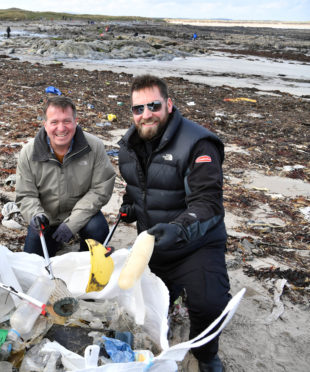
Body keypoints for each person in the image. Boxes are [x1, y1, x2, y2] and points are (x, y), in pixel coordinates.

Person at [117, 74, 231, 372]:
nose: (146, 114)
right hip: (153, 244)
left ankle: (206, 355)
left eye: (153, 105)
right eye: (138, 109)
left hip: (197, 244)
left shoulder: (198, 144)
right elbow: (136, 187)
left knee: (207, 305)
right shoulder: (128, 146)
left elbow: (208, 204)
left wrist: (179, 229)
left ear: (169, 104)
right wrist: (129, 206)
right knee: (143, 310)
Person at [15, 96, 116, 258]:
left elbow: (100, 189)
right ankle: (54, 241)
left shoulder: (94, 147)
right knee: (33, 263)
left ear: (75, 122)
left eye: (67, 121)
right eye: (54, 122)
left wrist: (72, 224)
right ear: (45, 124)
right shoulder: (28, 152)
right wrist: (36, 216)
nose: (61, 128)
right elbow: (26, 194)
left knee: (98, 229)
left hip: (82, 214)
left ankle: (85, 260)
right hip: (46, 218)